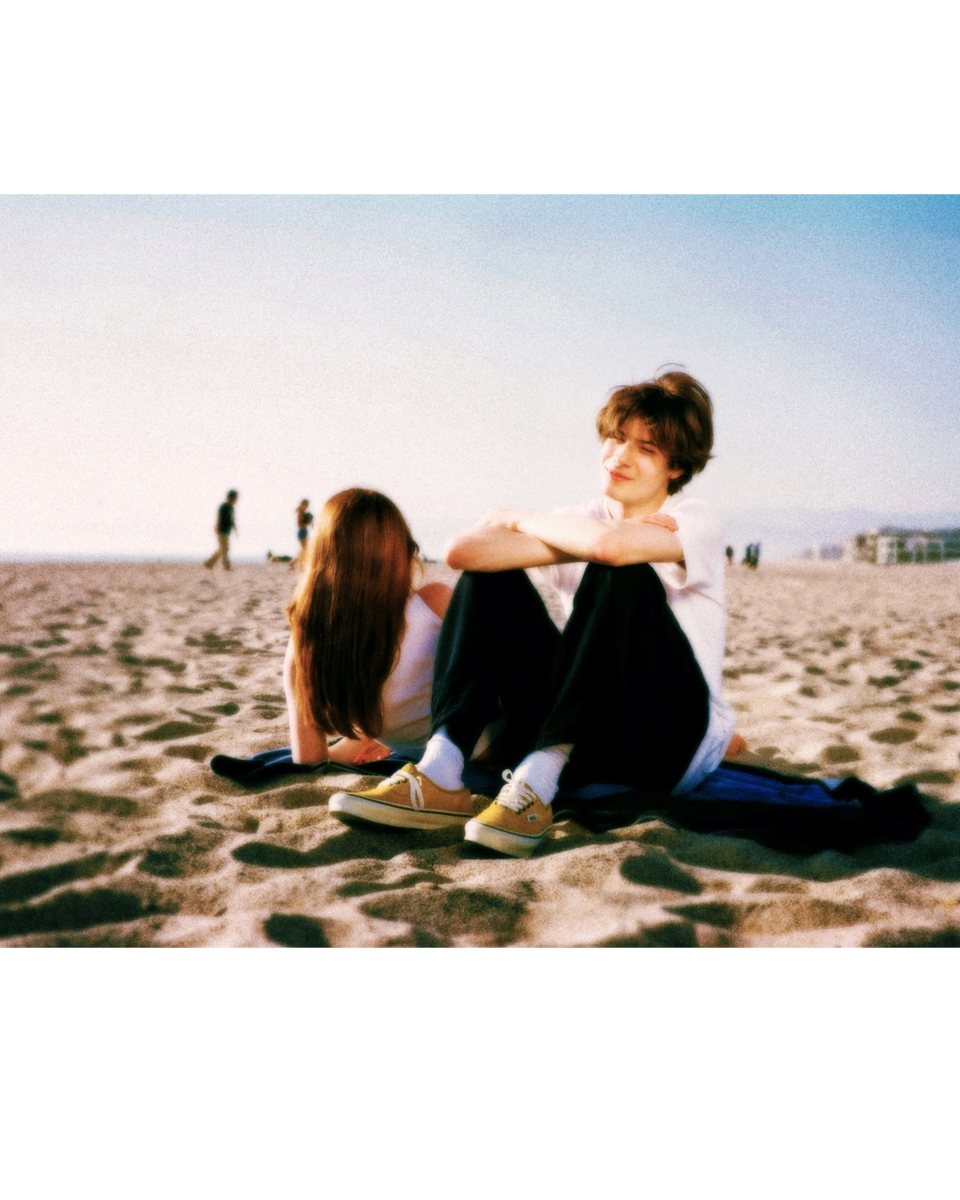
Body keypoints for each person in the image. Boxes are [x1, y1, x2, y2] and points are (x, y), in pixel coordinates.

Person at [333, 370, 737, 856]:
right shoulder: (581, 519)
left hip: (667, 742)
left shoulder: (695, 519)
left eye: (646, 449)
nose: (620, 456)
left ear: (675, 467)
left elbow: (611, 551)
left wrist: (523, 521)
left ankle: (536, 781)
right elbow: (464, 552)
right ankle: (442, 768)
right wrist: (575, 540)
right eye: (615, 438)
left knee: (626, 571)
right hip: (592, 738)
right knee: (492, 576)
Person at [284, 488, 455, 790]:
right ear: (402, 550)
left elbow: (309, 761)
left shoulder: (305, 641)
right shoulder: (433, 604)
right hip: (485, 752)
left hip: (413, 750)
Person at [204, 490, 238, 570]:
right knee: (225, 549)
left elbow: (232, 519)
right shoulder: (224, 506)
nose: (236, 500)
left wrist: (235, 529)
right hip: (222, 530)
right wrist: (217, 528)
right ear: (231, 498)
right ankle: (226, 566)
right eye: (235, 498)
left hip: (227, 530)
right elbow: (219, 517)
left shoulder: (231, 507)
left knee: (222, 548)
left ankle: (209, 563)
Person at [290, 499, 314, 570]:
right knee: (304, 550)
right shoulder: (300, 513)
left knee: (303, 550)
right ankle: (294, 564)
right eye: (306, 505)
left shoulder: (303, 512)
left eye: (307, 506)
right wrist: (308, 522)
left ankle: (298, 565)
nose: (307, 507)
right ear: (302, 505)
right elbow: (300, 525)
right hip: (301, 532)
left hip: (304, 532)